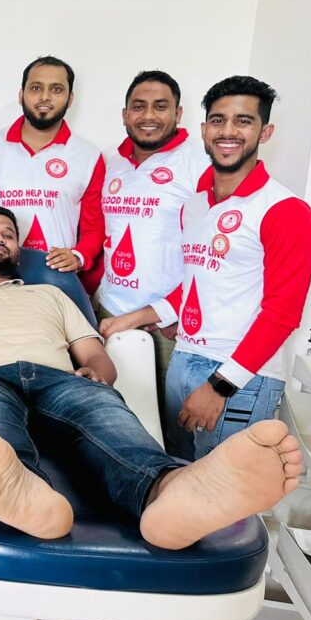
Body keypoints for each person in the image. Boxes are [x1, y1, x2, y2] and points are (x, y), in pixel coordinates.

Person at [0, 206, 303, 549]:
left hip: (58, 381)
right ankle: (25, 489)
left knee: (105, 411)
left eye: (7, 233)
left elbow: (96, 356)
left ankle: (169, 492)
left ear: (18, 247)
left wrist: (96, 374)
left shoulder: (52, 295)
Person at [101, 77, 311, 460]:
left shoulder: (285, 211)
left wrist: (220, 385)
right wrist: (136, 317)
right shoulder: (196, 205)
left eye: (243, 121)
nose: (228, 131)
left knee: (225, 493)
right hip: (183, 360)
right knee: (178, 481)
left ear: (265, 132)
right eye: (218, 120)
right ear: (203, 130)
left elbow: (283, 315)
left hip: (239, 378)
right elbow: (193, 285)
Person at [97, 71, 209, 426]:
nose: (148, 116)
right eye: (138, 106)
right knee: (112, 422)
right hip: (108, 314)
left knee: (170, 430)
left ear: (178, 113)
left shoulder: (201, 166)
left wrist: (167, 312)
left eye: (160, 106)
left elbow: (211, 261)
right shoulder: (113, 164)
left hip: (167, 327)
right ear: (125, 114)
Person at [0, 56, 105, 291]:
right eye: (36, 88)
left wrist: (78, 255)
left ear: (70, 99)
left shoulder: (89, 156)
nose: (45, 97)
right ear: (21, 95)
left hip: (55, 283)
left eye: (56, 89)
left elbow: (94, 229)